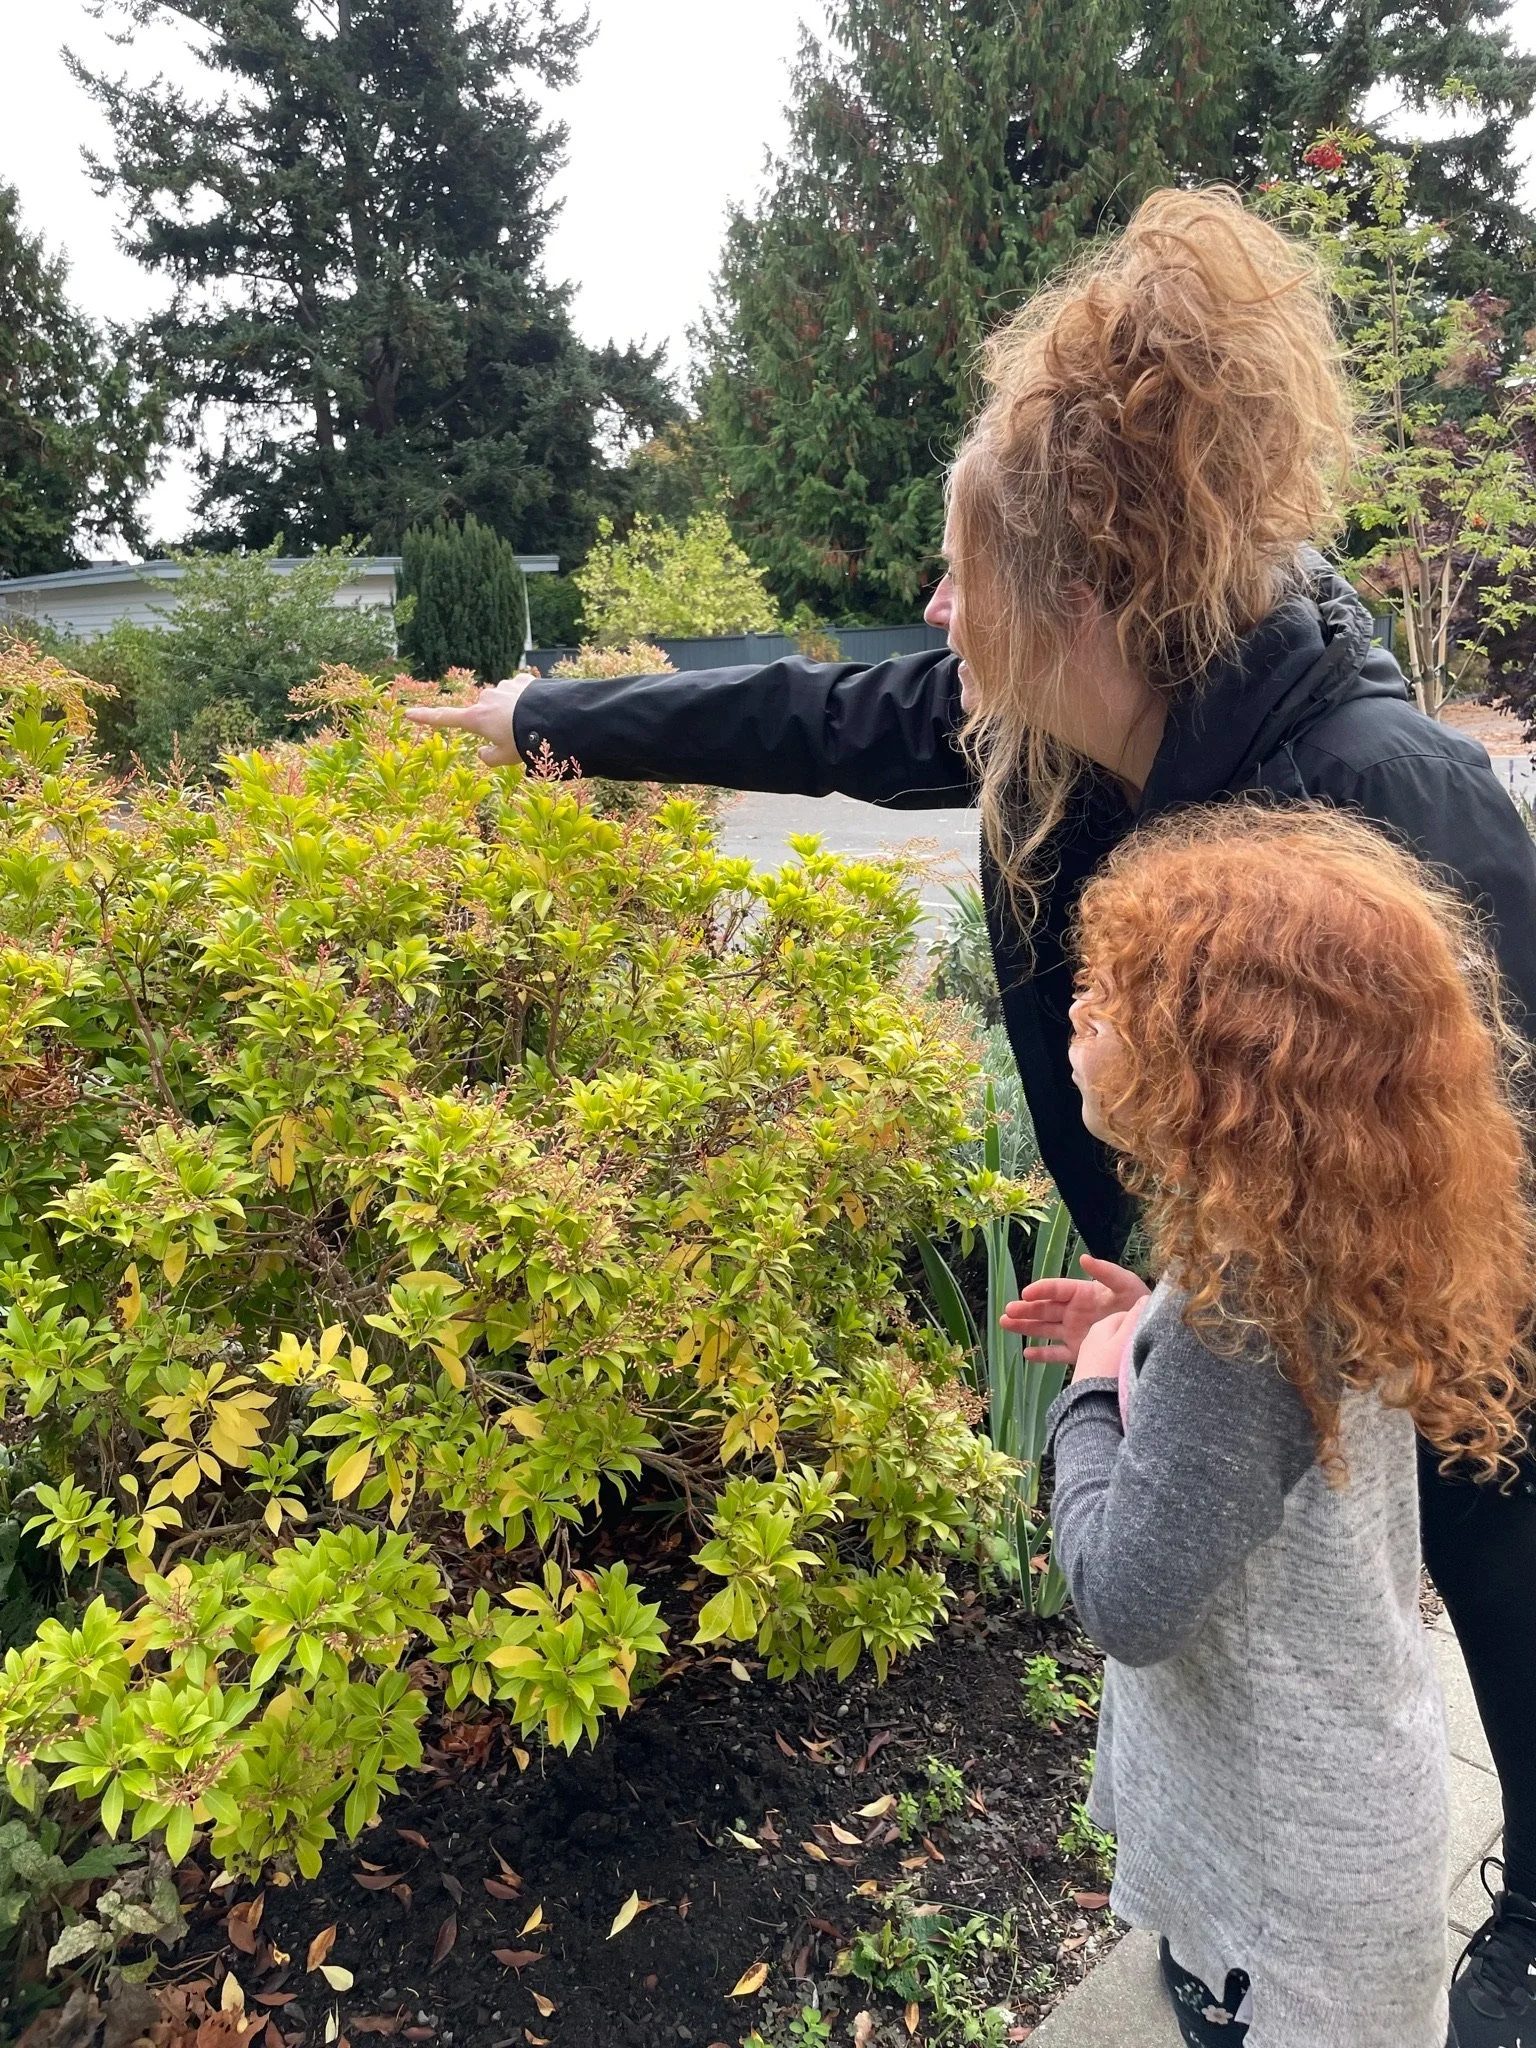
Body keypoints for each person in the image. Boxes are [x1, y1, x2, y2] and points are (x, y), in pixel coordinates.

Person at [405, 184, 1536, 2045]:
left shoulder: (1375, 783)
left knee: (1476, 1555)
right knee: (1271, 1650)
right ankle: (1252, 1923)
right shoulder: (1039, 715)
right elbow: (811, 714)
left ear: (1083, 593)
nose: (937, 614)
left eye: (963, 579)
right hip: (1197, 1285)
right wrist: (553, 711)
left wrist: (1391, 1336)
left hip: (1431, 1309)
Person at [1004, 803, 1536, 2048]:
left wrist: (1090, 1382)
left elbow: (1129, 1600)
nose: (1078, 1016)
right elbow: (1263, 1447)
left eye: (1123, 999)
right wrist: (1140, 1323)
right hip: (1341, 1783)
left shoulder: (1240, 1318)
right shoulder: (1333, 1247)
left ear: (1224, 1075)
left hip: (1290, 1871)